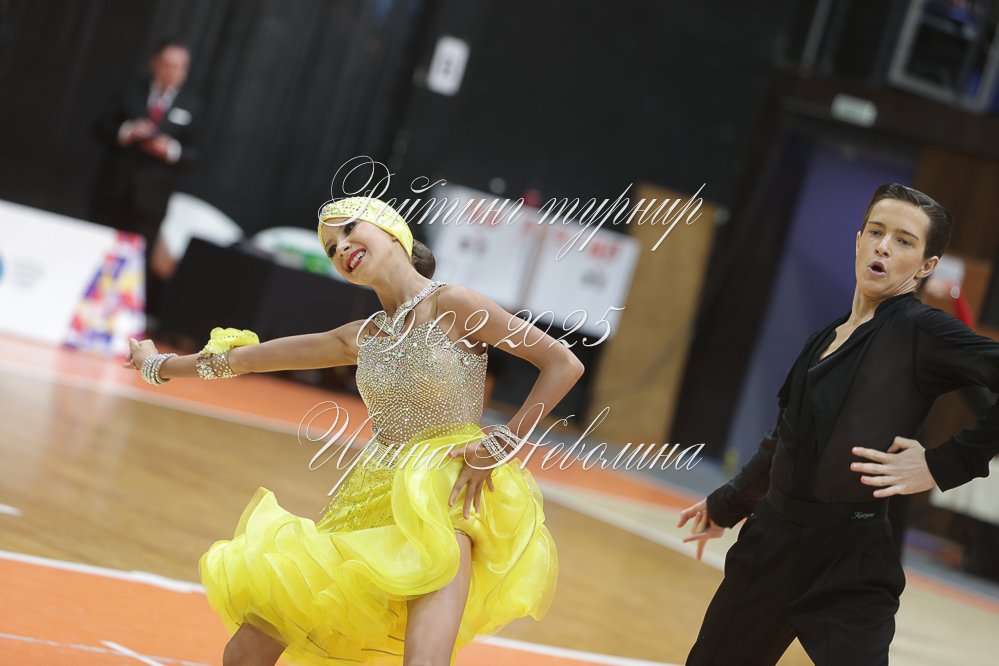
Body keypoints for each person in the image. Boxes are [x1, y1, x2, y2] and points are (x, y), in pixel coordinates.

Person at [123, 196, 584, 666]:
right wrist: (157, 365)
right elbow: (242, 360)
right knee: (244, 653)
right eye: (330, 247)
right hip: (366, 497)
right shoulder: (362, 337)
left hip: (444, 494)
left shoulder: (454, 305)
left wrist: (502, 443)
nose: (340, 248)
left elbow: (562, 363)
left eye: (348, 230)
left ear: (391, 230)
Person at [678, 183, 999, 665]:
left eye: (904, 241)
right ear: (858, 240)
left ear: (926, 266)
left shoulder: (921, 331)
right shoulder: (823, 337)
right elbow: (783, 440)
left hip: (851, 562)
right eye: (876, 232)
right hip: (769, 549)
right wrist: (726, 505)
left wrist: (944, 463)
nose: (883, 247)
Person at [91, 38, 201, 322]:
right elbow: (100, 126)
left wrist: (170, 149)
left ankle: (123, 319)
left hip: (151, 198)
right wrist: (127, 131)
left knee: (137, 258)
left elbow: (197, 153)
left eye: (179, 67)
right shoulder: (130, 91)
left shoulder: (192, 104)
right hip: (114, 187)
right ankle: (85, 309)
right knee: (99, 246)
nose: (172, 71)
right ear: (155, 64)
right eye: (168, 65)